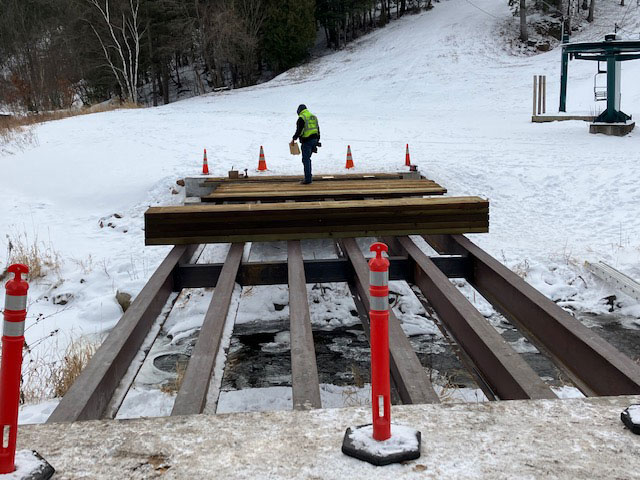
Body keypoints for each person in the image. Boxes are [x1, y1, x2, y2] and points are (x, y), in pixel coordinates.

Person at [291, 104, 320, 184]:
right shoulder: (313, 117)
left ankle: (308, 179)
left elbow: (299, 131)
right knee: (308, 159)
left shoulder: (301, 118)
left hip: (306, 141)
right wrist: (317, 140)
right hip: (314, 140)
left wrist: (294, 138)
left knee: (306, 160)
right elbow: (317, 129)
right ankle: (308, 177)